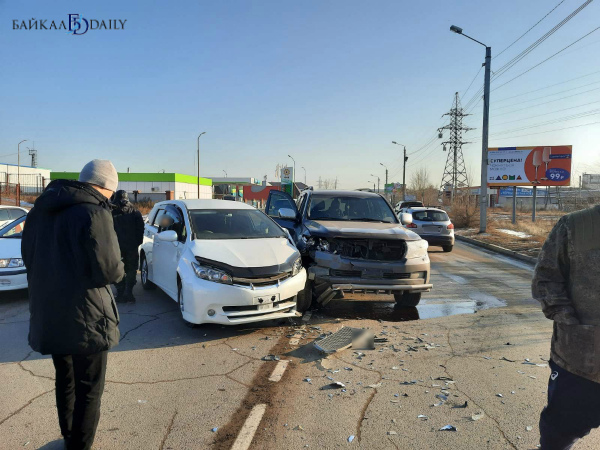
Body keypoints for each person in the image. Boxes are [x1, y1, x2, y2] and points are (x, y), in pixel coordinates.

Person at [22, 160, 124, 450]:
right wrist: (122, 268)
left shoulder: (41, 210)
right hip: (87, 315)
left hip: (49, 310)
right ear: (106, 187)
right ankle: (79, 445)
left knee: (64, 379)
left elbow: (29, 258)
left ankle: (69, 436)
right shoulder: (94, 212)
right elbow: (109, 271)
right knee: (89, 388)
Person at [532, 204, 600, 450]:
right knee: (557, 438)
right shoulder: (575, 226)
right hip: (582, 363)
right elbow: (547, 279)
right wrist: (570, 325)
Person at [111, 190, 144, 303]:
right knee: (131, 269)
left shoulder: (111, 211)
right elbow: (140, 230)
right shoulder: (135, 211)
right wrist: (136, 243)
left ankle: (120, 292)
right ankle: (128, 292)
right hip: (131, 246)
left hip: (115, 246)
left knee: (117, 269)